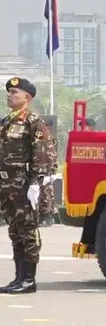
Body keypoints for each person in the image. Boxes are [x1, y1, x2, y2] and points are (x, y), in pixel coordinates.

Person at [0, 77, 50, 294]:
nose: (10, 96)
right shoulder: (6, 122)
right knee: (15, 231)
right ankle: (18, 277)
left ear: (27, 98)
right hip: (7, 186)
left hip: (24, 187)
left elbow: (42, 155)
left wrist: (36, 184)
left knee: (28, 232)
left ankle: (29, 279)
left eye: (15, 93)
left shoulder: (33, 122)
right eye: (9, 92)